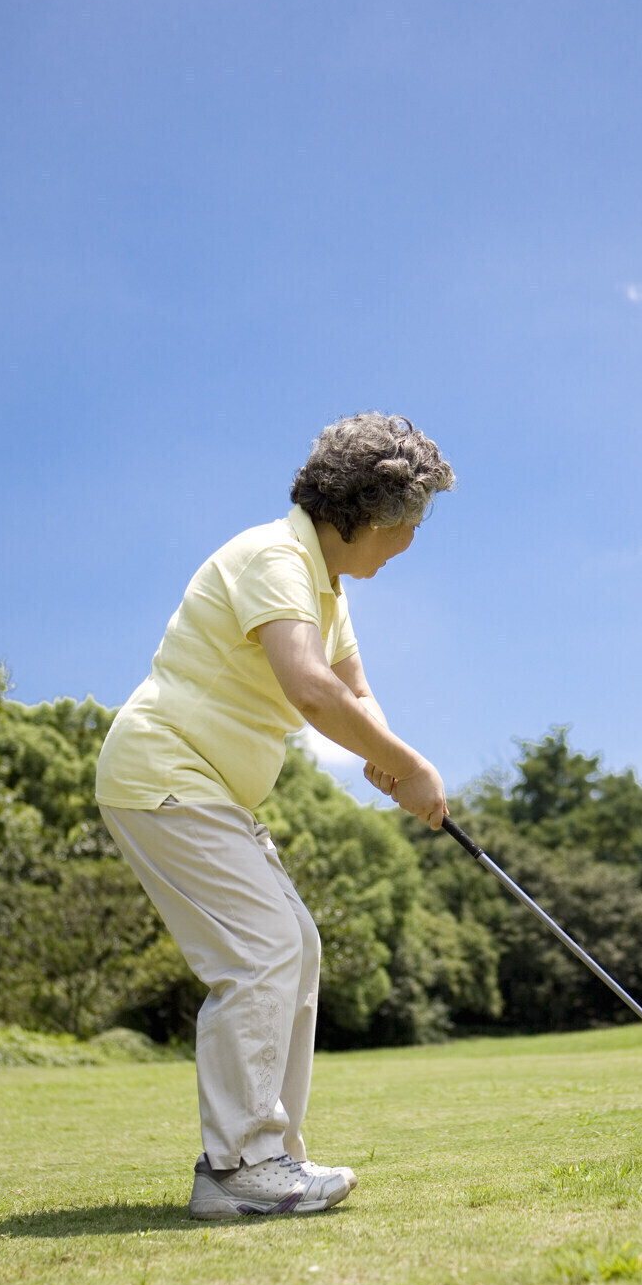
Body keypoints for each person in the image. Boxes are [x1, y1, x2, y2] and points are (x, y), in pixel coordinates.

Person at [96, 413, 454, 1219]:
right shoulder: (275, 557)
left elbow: (354, 689)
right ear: (368, 511)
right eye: (410, 518)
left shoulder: (325, 586)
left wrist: (397, 763)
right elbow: (309, 685)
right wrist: (411, 765)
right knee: (260, 947)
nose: (411, 536)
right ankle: (236, 1169)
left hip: (207, 788)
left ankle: (269, 1157)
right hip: (161, 771)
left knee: (294, 943)